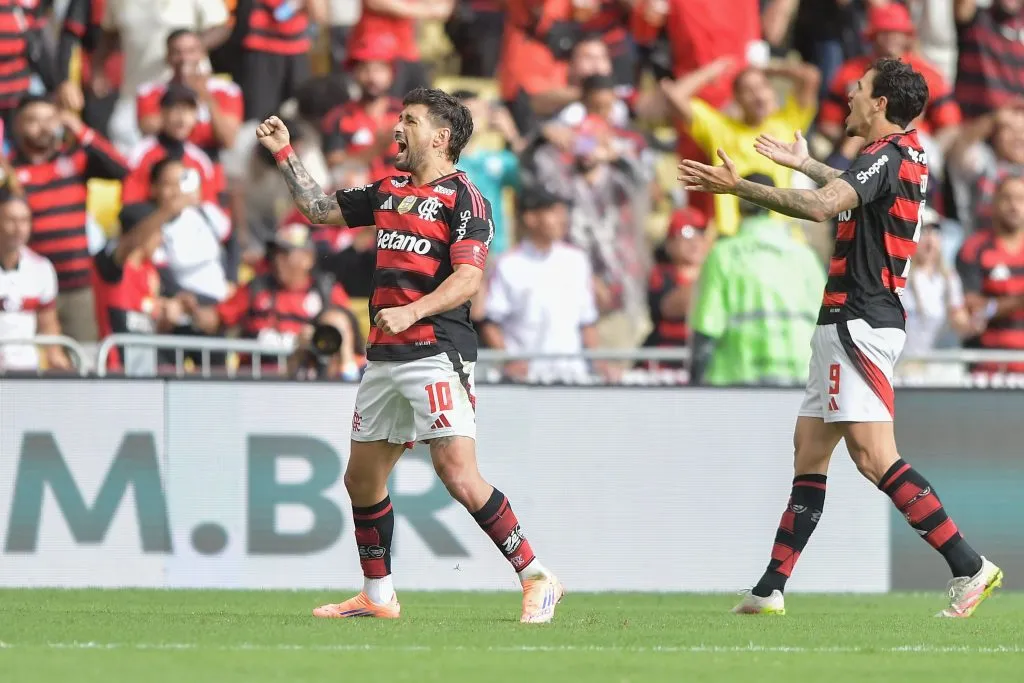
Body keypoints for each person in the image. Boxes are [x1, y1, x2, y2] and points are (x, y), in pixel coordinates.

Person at [678, 57, 1003, 617]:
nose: (848, 96)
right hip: (850, 318)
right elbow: (849, 189)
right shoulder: (907, 153)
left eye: (857, 90)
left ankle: (970, 566)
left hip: (860, 318)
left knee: (875, 458)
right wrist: (805, 162)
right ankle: (770, 588)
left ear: (879, 104)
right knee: (810, 451)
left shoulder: (884, 155)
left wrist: (741, 189)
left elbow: (826, 206)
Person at [254, 87, 564, 622]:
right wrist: (285, 152)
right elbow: (317, 209)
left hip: (435, 352)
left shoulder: (466, 197)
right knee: (361, 479)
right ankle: (378, 597)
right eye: (399, 118)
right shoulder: (388, 189)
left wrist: (414, 310)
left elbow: (468, 279)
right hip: (385, 357)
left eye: (410, 120)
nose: (398, 128)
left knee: (458, 472)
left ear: (441, 137)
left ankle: (536, 576)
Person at [10, 96, 129, 342]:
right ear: (18, 125)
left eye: (49, 119)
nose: (43, 127)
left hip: (77, 286)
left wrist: (82, 130)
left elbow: (122, 170)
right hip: (31, 286)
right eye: (33, 120)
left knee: (84, 365)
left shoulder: (75, 159)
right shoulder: (9, 172)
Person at [689, 174, 826, 387]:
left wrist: (694, 383)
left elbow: (707, 327)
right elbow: (826, 322)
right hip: (799, 376)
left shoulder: (723, 255)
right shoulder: (804, 256)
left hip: (737, 376)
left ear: (737, 204)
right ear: (776, 204)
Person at [480, 188, 601, 384]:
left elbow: (587, 322)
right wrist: (509, 362)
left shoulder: (577, 260)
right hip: (526, 381)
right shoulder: (508, 264)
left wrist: (599, 363)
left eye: (563, 213)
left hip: (574, 376)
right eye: (554, 212)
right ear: (530, 218)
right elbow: (490, 322)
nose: (562, 220)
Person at [956, 175, 1024, 375]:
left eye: (1020, 199)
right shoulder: (974, 249)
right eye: (1007, 198)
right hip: (986, 368)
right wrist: (1018, 301)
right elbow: (972, 310)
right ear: (994, 203)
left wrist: (1001, 303)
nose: (1014, 206)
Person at [0, 196, 71, 373]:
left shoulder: (41, 268)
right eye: (11, 220)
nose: (18, 228)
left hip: (27, 372)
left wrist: (55, 355)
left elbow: (48, 322)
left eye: (24, 220)